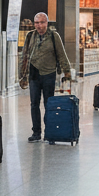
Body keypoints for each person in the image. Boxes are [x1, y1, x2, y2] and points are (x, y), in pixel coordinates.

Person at [18, 13, 71, 142]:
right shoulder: (30, 35)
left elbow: (61, 54)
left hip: (49, 74)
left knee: (49, 104)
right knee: (34, 104)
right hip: (33, 75)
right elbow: (24, 55)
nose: (39, 25)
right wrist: (22, 74)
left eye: (42, 22)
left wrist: (67, 71)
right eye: (36, 23)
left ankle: (50, 131)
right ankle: (36, 132)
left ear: (47, 23)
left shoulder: (54, 36)